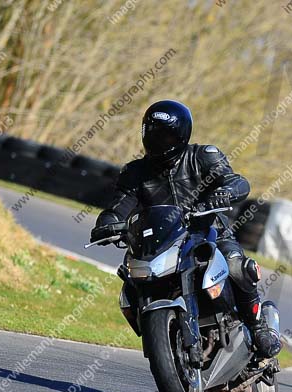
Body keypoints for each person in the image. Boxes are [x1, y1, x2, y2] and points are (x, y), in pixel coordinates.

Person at [90, 100, 280, 359]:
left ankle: (259, 328)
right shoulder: (135, 173)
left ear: (181, 135)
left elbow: (235, 180)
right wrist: (106, 223)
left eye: (165, 135)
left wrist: (224, 192)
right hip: (160, 242)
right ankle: (164, 341)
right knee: (131, 286)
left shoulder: (203, 156)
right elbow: (120, 206)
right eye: (153, 133)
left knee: (236, 265)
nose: (159, 141)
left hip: (209, 233)